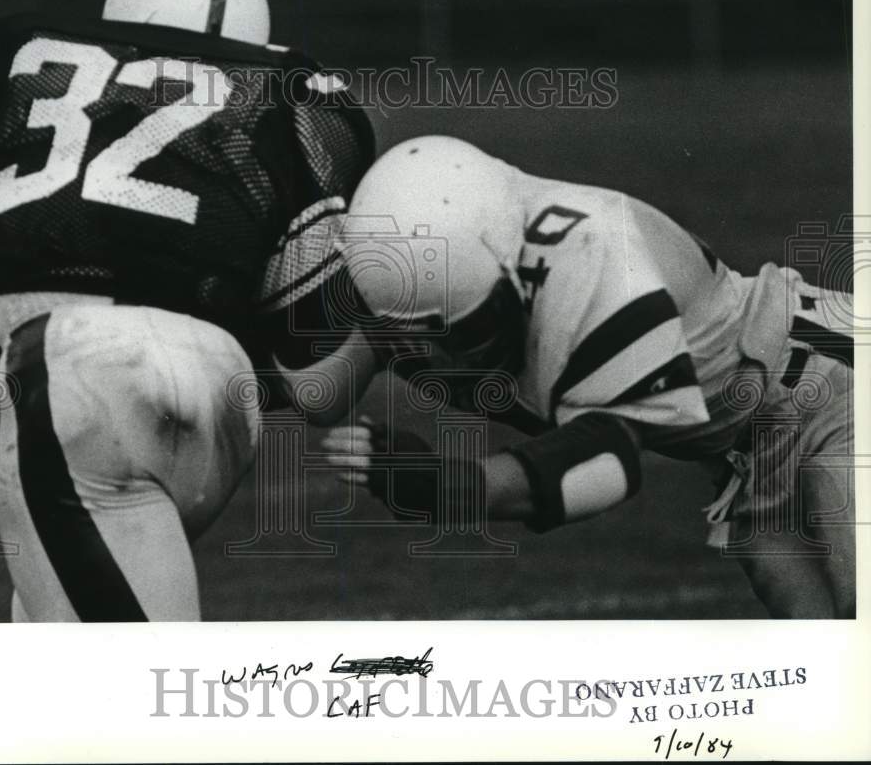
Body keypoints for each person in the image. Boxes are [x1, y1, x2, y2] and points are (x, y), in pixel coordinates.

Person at [0, 0, 374, 621]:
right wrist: (386, 330)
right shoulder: (288, 97)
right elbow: (314, 384)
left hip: (74, 380)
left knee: (138, 700)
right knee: (52, 647)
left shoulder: (21, 57)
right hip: (220, 399)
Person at [320, 135, 855, 619]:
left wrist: (443, 486)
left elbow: (603, 461)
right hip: (748, 439)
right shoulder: (434, 276)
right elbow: (312, 391)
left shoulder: (599, 259)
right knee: (821, 654)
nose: (437, 360)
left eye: (461, 332)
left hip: (828, 381)